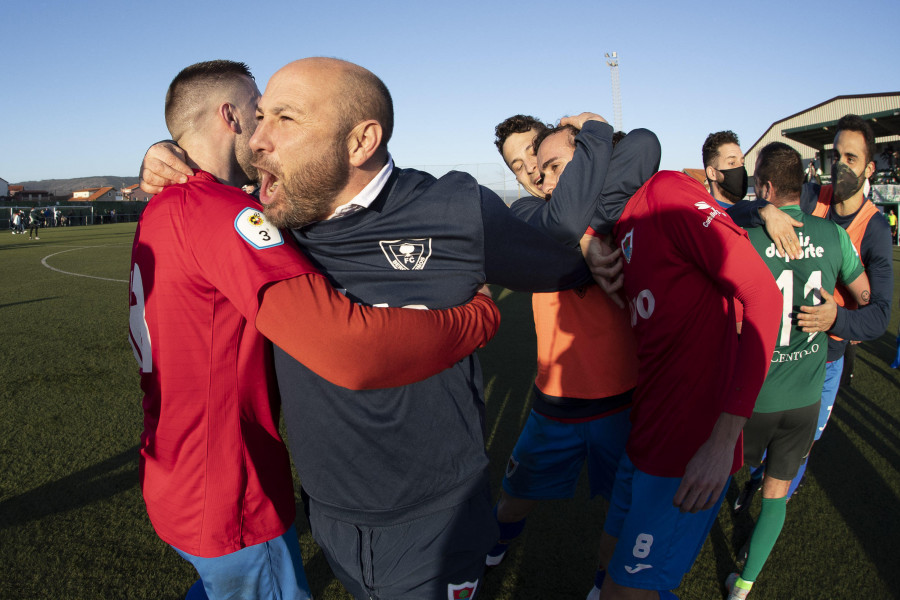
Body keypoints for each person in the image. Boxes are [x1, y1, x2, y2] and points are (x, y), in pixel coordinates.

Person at [142, 57, 601, 600]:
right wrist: (163, 153)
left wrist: (600, 233)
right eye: (258, 115)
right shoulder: (273, 218)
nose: (258, 138)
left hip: (435, 519)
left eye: (283, 119)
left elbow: (557, 256)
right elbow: (349, 349)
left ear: (360, 142)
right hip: (328, 511)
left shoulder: (451, 208)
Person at [537, 124, 782, 597]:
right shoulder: (618, 230)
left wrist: (722, 441)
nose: (546, 184)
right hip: (644, 437)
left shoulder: (667, 193)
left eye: (554, 169)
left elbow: (763, 298)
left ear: (595, 161)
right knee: (608, 558)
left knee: (629, 592)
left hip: (690, 446)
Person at [486, 114, 659, 587]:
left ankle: (604, 582)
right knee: (514, 497)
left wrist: (586, 227)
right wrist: (585, 238)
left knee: (624, 510)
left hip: (623, 401)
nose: (533, 174)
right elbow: (555, 225)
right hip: (554, 404)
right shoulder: (523, 213)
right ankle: (494, 548)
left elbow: (643, 142)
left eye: (537, 158)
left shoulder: (611, 205)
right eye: (519, 167)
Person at [723, 143, 869, 600]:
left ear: (765, 187)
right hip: (804, 398)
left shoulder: (741, 232)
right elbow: (863, 294)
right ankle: (744, 585)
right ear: (799, 185)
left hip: (751, 395)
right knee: (776, 493)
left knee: (716, 476)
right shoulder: (833, 235)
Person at [729, 114, 893, 499]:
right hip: (777, 349)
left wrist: (839, 316)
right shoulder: (810, 197)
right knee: (753, 442)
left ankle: (764, 513)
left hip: (828, 353)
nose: (839, 164)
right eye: (835, 154)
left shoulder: (875, 227)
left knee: (793, 457)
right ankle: (757, 481)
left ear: (870, 167)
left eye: (850, 158)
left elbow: (880, 314)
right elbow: (735, 214)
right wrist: (763, 210)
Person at [702, 131, 747, 208]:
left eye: (742, 163)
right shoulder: (704, 216)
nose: (740, 168)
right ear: (712, 173)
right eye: (732, 163)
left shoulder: (753, 213)